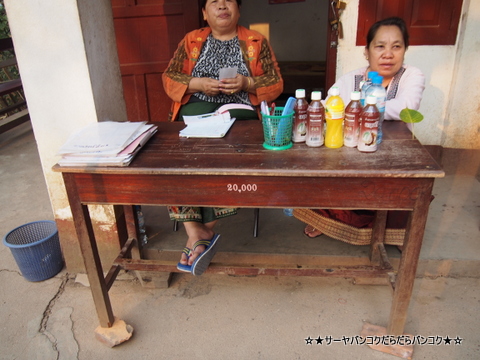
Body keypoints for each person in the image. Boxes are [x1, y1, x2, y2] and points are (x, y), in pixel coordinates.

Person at [162, 0, 283, 275]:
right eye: (214, 2)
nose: (222, 6)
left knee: (234, 158)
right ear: (204, 13)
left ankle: (197, 235)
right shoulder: (191, 40)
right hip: (196, 114)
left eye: (228, 0)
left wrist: (247, 83)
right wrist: (198, 83)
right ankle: (198, 231)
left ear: (238, 10)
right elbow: (169, 77)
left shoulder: (255, 40)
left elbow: (276, 82)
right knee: (181, 160)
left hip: (240, 114)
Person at [295, 17, 425, 245]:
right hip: (352, 158)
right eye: (380, 46)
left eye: (396, 46)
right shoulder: (350, 79)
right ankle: (330, 220)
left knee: (406, 183)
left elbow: (407, 108)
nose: (388, 54)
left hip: (393, 157)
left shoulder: (411, 75)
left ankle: (391, 230)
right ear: (367, 51)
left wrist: (359, 109)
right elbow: (327, 105)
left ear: (405, 50)